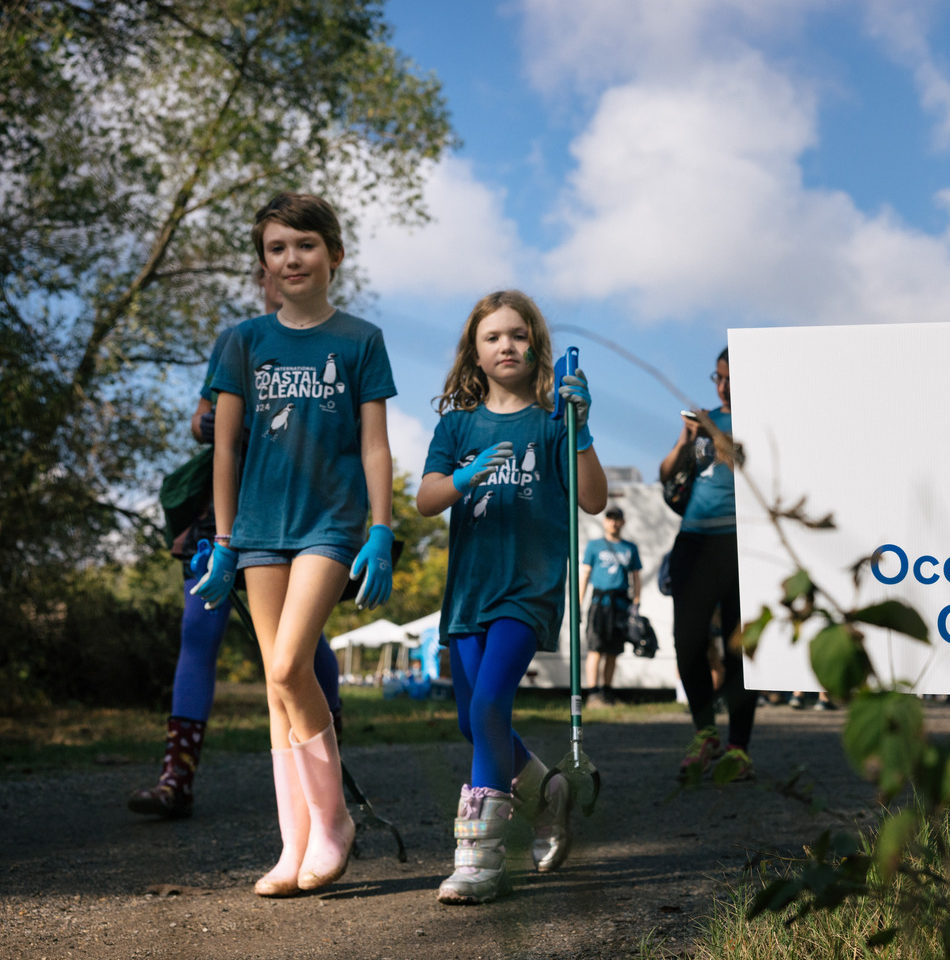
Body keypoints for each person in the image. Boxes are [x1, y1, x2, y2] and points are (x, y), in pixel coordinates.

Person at [191, 193, 396, 897]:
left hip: (329, 525)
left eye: (304, 245)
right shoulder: (243, 340)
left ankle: (334, 822)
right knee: (277, 694)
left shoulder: (361, 339)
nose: (291, 259)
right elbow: (224, 450)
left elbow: (374, 444)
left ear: (333, 254)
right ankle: (295, 842)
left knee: (286, 668)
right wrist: (222, 542)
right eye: (277, 248)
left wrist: (382, 528)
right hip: (255, 529)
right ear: (264, 263)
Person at [128, 266, 344, 820]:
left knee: (297, 642)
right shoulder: (239, 341)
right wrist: (234, 423)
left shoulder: (334, 344)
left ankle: (327, 749)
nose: (283, 280)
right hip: (222, 513)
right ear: (262, 283)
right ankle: (176, 777)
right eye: (271, 274)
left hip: (294, 511)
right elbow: (200, 419)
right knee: (199, 631)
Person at [416, 289, 607, 905]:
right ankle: (548, 789)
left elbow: (594, 499)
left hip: (529, 587)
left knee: (491, 701)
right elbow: (425, 499)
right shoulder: (457, 425)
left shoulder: (555, 421)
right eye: (493, 337)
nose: (507, 346)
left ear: (537, 345)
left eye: (518, 335)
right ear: (474, 353)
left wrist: (580, 430)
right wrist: (463, 477)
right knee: (473, 718)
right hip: (470, 588)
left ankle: (480, 855)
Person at [661, 347, 756, 781]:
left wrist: (715, 431)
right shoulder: (701, 424)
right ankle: (705, 734)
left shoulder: (760, 421)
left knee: (739, 649)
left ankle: (739, 747)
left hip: (742, 542)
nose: (722, 386)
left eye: (730, 378)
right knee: (687, 642)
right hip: (694, 541)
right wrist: (685, 438)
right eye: (717, 377)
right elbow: (666, 474)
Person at [581, 504, 642, 708]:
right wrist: (579, 602)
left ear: (623, 522)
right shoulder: (594, 546)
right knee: (595, 648)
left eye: (617, 518)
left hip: (620, 603)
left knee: (613, 651)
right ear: (604, 521)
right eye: (610, 518)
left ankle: (607, 691)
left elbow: (636, 576)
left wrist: (636, 603)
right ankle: (592, 692)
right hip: (599, 603)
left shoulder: (629, 548)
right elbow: (585, 574)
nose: (613, 522)